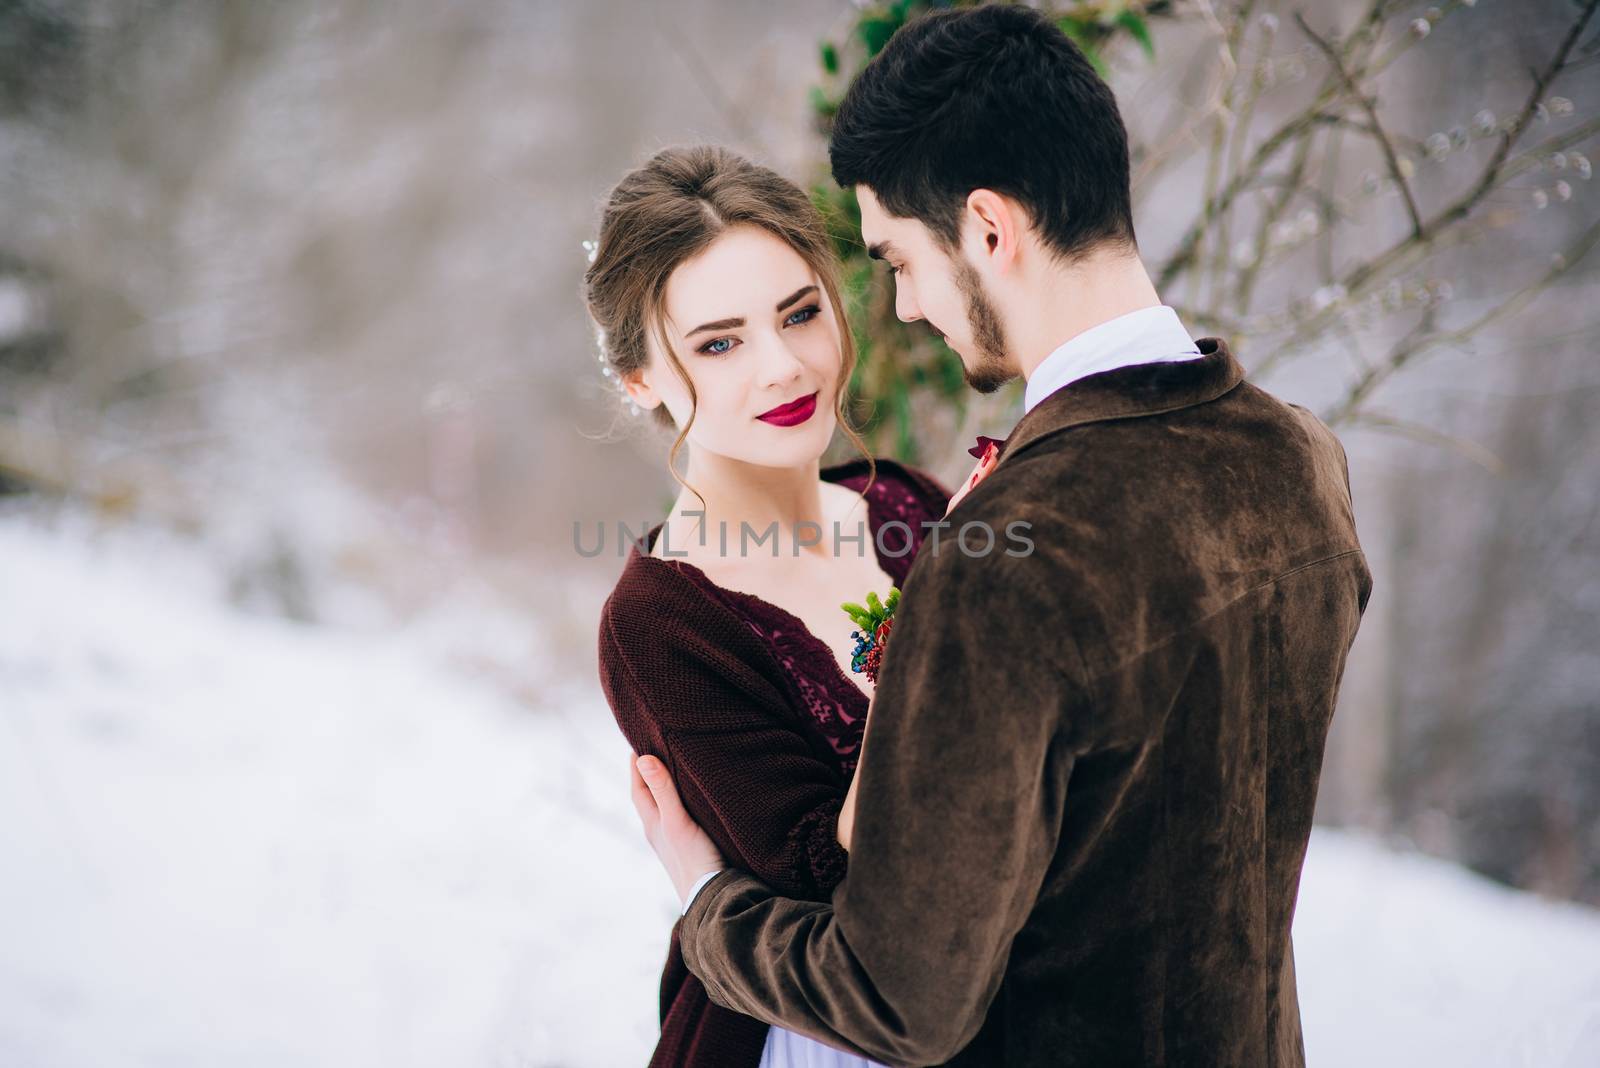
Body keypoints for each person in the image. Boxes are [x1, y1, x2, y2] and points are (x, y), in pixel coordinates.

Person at [627, 6, 1374, 1067]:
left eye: (897, 258)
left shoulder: (1008, 557)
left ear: (987, 227)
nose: (904, 304)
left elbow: (898, 1002)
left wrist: (708, 906)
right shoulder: (1301, 462)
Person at [589, 143, 983, 1067]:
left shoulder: (909, 507)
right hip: (819, 1038)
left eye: (800, 314)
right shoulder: (660, 625)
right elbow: (828, 879)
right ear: (641, 376)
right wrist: (928, 645)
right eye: (719, 342)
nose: (783, 367)